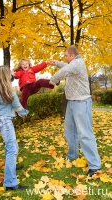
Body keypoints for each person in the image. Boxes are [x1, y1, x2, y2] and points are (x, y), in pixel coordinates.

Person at [49, 45, 101, 177]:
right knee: (70, 131)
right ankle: (72, 155)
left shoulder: (77, 63)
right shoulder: (73, 64)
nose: (65, 57)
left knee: (85, 133)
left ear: (72, 55)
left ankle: (94, 165)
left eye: (66, 55)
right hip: (72, 102)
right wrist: (56, 63)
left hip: (81, 102)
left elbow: (63, 72)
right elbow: (65, 67)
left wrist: (52, 81)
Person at [0, 65, 29, 190]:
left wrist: (11, 73)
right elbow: (18, 107)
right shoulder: (9, 91)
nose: (11, 75)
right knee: (12, 149)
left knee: (11, 147)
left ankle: (10, 166)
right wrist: (25, 113)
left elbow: (9, 78)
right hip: (4, 120)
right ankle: (10, 183)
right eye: (9, 74)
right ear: (5, 76)